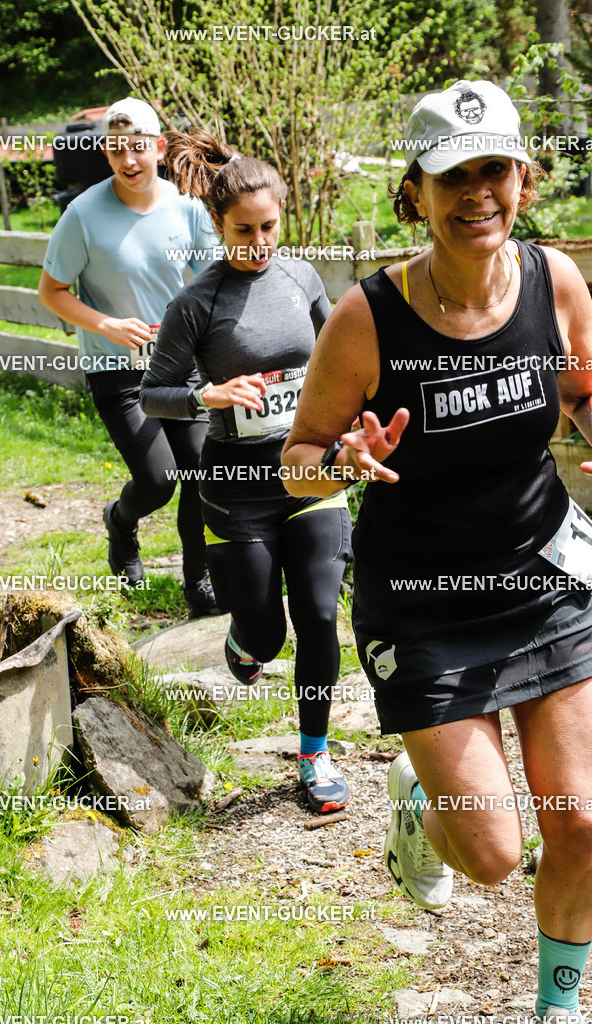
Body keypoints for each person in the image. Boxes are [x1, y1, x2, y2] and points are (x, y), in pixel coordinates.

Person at [282, 79, 592, 1023]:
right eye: (452, 175)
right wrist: (341, 462)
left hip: (547, 570)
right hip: (421, 600)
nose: (477, 194)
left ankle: (560, 1005)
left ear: (524, 180)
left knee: (582, 820)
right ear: (415, 191)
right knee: (493, 854)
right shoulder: (368, 318)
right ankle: (417, 794)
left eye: (493, 169)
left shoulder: (556, 281)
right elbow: (296, 464)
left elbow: (581, 393)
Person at [139, 130, 353, 813]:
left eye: (269, 228)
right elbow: (152, 392)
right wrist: (210, 395)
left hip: (311, 474)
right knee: (267, 634)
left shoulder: (303, 278)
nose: (258, 243)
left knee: (320, 614)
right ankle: (244, 640)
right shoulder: (196, 302)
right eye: (243, 231)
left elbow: (340, 356)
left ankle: (314, 756)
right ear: (216, 225)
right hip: (235, 489)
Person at [39, 97, 219, 618]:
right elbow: (51, 291)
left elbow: (211, 284)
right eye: (117, 150)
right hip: (116, 371)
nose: (129, 160)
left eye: (138, 148)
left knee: (201, 475)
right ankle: (121, 521)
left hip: (180, 367)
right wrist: (107, 325)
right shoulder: (83, 214)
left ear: (159, 148)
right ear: (106, 152)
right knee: (158, 482)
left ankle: (199, 581)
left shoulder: (186, 207)